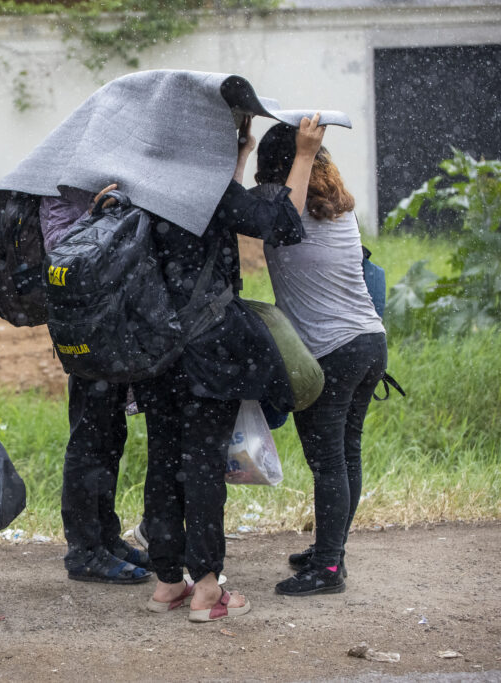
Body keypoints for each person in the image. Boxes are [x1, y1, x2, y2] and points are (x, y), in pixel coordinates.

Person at [137, 114, 326, 621]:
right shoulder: (208, 190)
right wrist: (304, 155)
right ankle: (206, 590)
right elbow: (282, 225)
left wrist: (239, 157)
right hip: (209, 351)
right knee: (202, 466)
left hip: (155, 351)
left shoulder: (141, 188)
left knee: (164, 460)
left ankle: (166, 582)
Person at [255, 124, 387, 596]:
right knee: (345, 454)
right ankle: (333, 552)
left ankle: (328, 567)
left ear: (271, 170)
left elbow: (265, 217)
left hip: (333, 351)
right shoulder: (336, 204)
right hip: (370, 342)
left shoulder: (282, 207)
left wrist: (247, 146)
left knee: (328, 461)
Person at [39, 185, 153, 584]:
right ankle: (84, 551)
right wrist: (97, 213)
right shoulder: (58, 194)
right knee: (88, 443)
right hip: (87, 336)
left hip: (114, 330)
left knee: (109, 438)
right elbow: (62, 253)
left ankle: (106, 536)